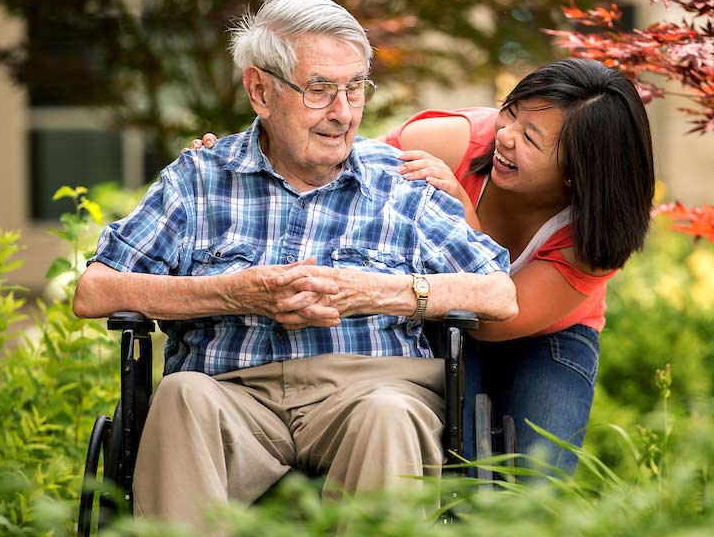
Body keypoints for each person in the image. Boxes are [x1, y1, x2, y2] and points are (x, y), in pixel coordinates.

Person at [73, 0, 517, 537]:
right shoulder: (199, 178)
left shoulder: (401, 182)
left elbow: (499, 293)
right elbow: (94, 291)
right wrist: (235, 293)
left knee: (388, 415)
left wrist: (379, 292)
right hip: (230, 394)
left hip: (369, 390)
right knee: (180, 396)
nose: (343, 112)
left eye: (355, 87)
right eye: (319, 89)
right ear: (260, 90)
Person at [191, 57, 655, 475]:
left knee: (538, 475)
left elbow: (491, 324)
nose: (505, 138)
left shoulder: (595, 232)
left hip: (542, 334)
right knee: (458, 457)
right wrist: (238, 156)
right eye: (510, 114)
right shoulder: (448, 142)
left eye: (530, 139)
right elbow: (335, 170)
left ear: (577, 170)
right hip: (434, 310)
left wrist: (463, 212)